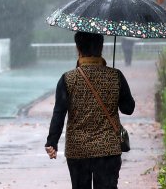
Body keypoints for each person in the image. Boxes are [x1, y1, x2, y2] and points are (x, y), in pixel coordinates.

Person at [45, 31, 135, 189]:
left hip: (78, 150)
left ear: (78, 49)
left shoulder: (68, 79)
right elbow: (128, 108)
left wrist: (52, 141)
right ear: (101, 48)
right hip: (108, 149)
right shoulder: (115, 76)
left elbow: (59, 113)